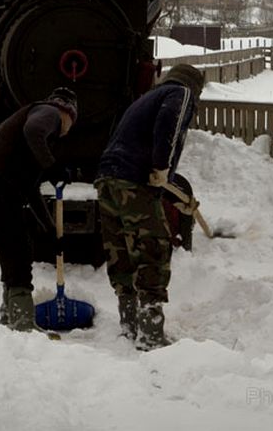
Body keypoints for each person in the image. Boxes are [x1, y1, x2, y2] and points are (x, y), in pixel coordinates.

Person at [95, 63, 205, 350]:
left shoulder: (145, 98)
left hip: (107, 178)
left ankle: (129, 325)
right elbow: (169, 123)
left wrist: (171, 190)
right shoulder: (180, 93)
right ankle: (151, 333)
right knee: (153, 247)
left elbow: (134, 149)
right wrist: (162, 166)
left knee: (121, 250)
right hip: (133, 180)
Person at [0, 88, 79, 332]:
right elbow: (33, 131)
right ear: (68, 113)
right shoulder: (51, 112)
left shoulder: (33, 133)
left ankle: (10, 316)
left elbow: (30, 189)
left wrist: (50, 229)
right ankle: (22, 322)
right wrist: (53, 168)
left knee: (11, 246)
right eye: (72, 123)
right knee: (18, 247)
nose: (67, 131)